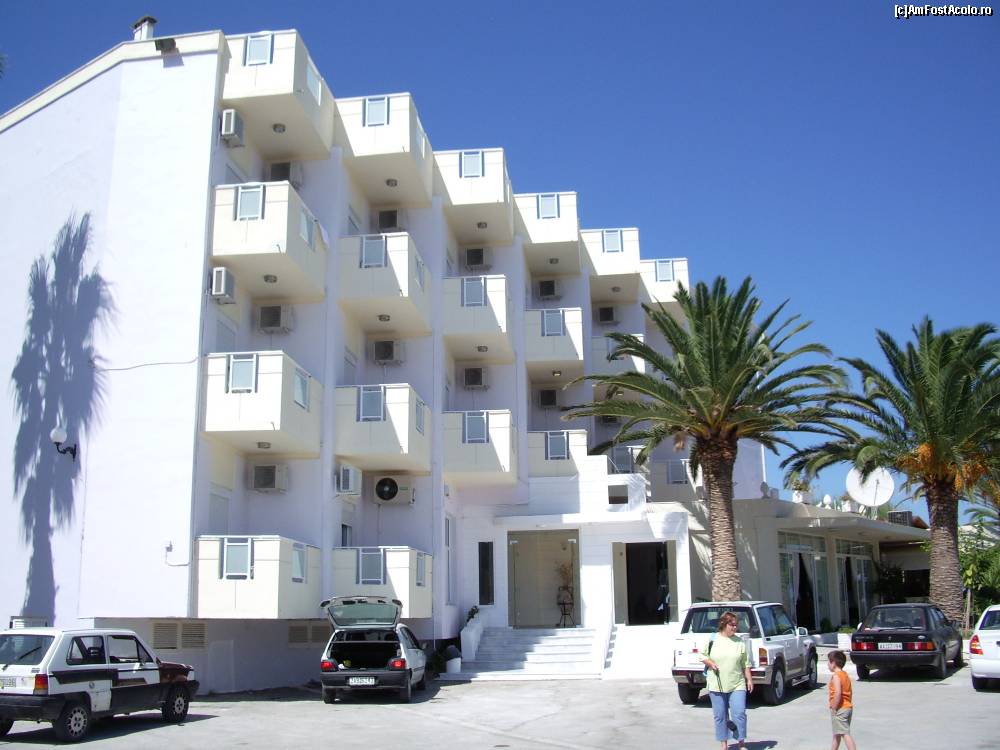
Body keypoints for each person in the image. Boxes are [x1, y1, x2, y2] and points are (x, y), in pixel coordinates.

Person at [700, 611, 753, 750]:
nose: (735, 627)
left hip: (737, 684)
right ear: (724, 624)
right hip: (716, 684)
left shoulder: (739, 642)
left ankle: (741, 743)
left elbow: (745, 663)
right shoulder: (712, 639)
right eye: (732, 625)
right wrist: (710, 663)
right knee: (720, 715)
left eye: (736, 625)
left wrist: (749, 680)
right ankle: (724, 744)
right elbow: (702, 655)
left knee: (739, 713)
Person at [828, 650, 857, 750]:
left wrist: (834, 707)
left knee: (845, 734)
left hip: (840, 709)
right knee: (837, 734)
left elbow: (838, 693)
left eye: (829, 662)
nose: (828, 664)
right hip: (847, 707)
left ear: (833, 663)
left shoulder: (836, 676)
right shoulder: (845, 675)